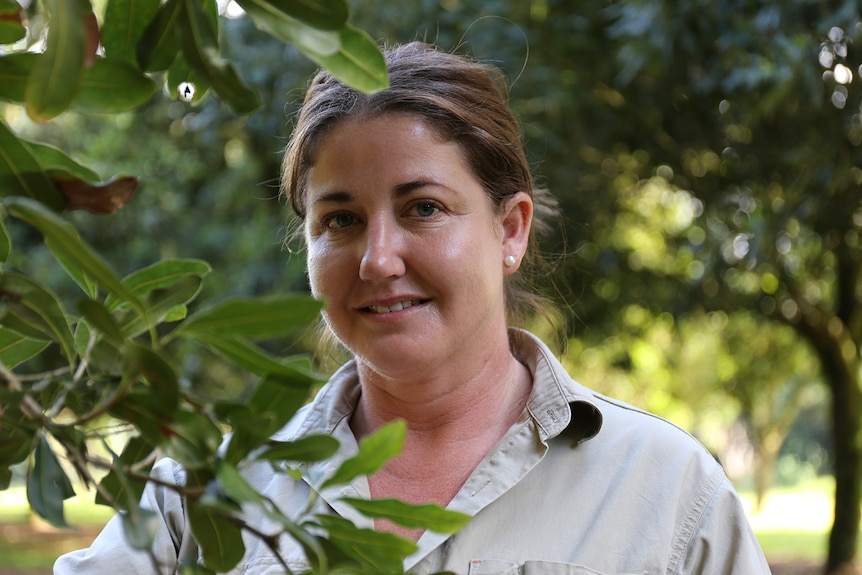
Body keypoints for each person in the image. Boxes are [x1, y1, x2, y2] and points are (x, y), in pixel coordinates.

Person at [55, 41, 771, 574]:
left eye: (423, 207)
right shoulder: (203, 492)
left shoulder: (668, 491)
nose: (378, 258)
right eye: (340, 219)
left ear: (510, 230)